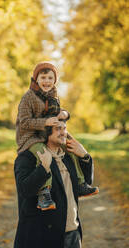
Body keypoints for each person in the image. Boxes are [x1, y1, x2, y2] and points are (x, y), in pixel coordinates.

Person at [16, 61, 99, 210]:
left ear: (54, 80)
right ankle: (44, 193)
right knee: (42, 152)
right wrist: (45, 121)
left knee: (71, 144)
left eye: (50, 78)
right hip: (30, 136)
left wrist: (65, 114)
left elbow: (58, 111)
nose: (46, 81)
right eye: (43, 77)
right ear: (36, 79)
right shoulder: (28, 97)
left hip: (47, 131)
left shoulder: (53, 93)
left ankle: (80, 183)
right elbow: (24, 122)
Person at [14, 120, 95, 248]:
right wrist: (43, 168)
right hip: (41, 237)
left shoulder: (67, 156)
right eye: (58, 129)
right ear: (45, 131)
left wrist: (84, 156)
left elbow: (85, 184)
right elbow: (24, 190)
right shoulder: (27, 157)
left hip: (72, 233)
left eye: (65, 128)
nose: (64, 132)